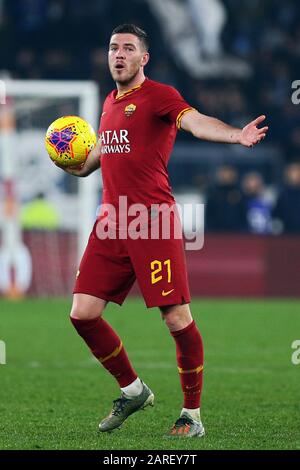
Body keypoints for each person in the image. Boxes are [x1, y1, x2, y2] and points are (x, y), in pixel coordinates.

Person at [56, 24, 268, 438]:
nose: (118, 54)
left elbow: (195, 122)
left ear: (143, 58)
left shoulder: (159, 96)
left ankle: (192, 415)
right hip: (112, 223)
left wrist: (235, 135)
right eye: (113, 47)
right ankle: (133, 390)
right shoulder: (109, 103)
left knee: (176, 318)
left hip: (152, 221)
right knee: (82, 314)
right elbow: (89, 164)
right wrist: (64, 157)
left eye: (127, 48)